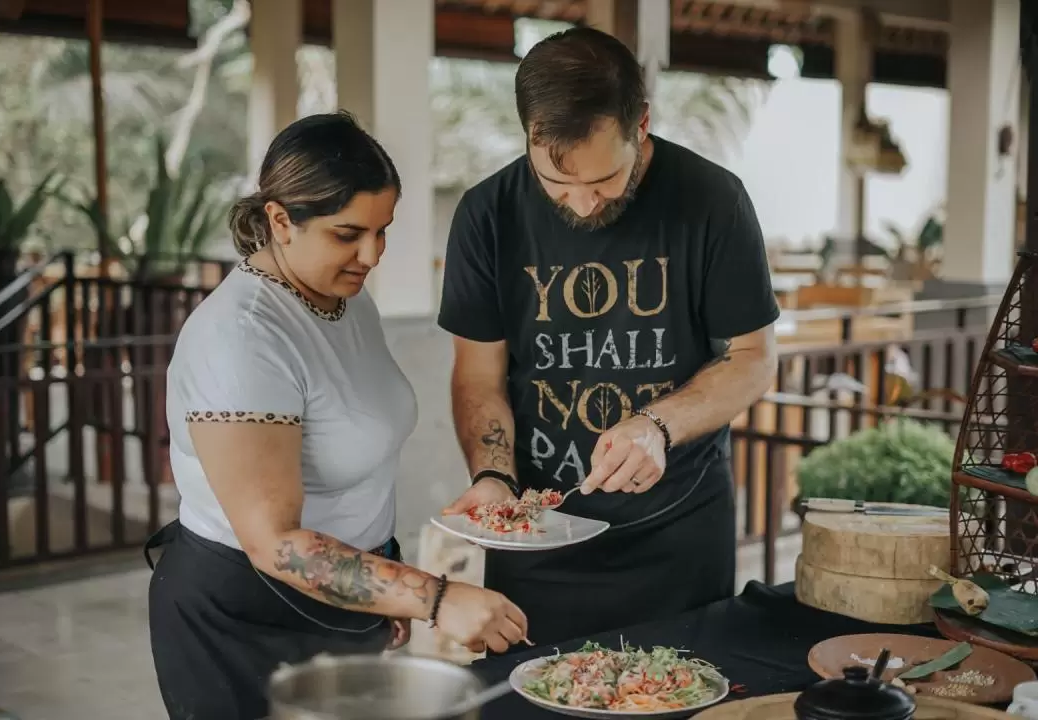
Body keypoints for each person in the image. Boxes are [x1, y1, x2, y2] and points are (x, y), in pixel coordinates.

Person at [146, 112, 528, 720]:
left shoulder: (341, 299)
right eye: (348, 233)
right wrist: (432, 597)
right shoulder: (242, 339)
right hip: (248, 617)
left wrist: (383, 585)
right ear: (280, 221)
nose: (371, 254)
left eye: (383, 230)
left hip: (335, 595)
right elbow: (278, 547)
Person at [439, 27, 780, 647]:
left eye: (604, 181)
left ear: (641, 124)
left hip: (678, 538)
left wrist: (657, 425)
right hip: (536, 533)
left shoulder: (713, 201)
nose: (584, 205)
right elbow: (478, 377)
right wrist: (495, 480)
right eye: (557, 183)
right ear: (530, 137)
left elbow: (753, 361)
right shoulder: (486, 215)